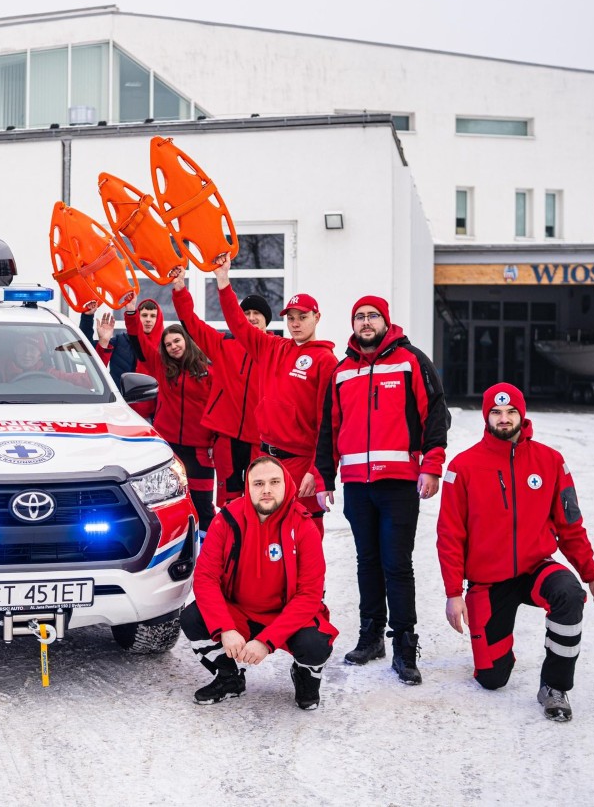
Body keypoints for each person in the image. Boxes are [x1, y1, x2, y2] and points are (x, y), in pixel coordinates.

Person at [437, 384, 594, 722]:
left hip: (536, 568)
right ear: (486, 417)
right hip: (488, 581)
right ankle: (498, 652)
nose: (504, 419)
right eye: (496, 412)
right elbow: (449, 535)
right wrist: (452, 593)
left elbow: (570, 526)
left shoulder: (550, 461)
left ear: (522, 414)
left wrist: (592, 577)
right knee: (492, 679)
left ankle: (554, 686)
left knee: (568, 593)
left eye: (511, 412)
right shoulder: (464, 466)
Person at [314, 295, 449, 685]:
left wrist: (432, 467)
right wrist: (326, 478)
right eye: (360, 317)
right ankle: (371, 637)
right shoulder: (341, 371)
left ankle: (406, 646)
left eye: (373, 316)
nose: (366, 322)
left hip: (400, 483)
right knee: (366, 561)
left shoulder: (411, 362)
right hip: (358, 485)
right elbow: (329, 429)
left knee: (396, 563)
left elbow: (435, 414)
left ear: (386, 321)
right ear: (353, 324)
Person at [182, 456, 337, 709]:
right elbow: (205, 578)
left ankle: (304, 674)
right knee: (194, 618)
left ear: (286, 485)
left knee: (315, 643)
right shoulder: (226, 521)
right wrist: (225, 628)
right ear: (248, 487)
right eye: (258, 483)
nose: (266, 489)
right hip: (239, 611)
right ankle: (228, 678)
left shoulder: (304, 526)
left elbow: (309, 595)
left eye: (274, 482)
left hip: (284, 615)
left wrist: (267, 641)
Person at [213, 259, 337, 526]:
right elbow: (239, 325)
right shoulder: (272, 348)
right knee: (261, 532)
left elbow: (327, 424)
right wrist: (223, 281)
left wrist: (317, 471)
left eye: (302, 317)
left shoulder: (325, 361)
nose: (295, 323)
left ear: (317, 317)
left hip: (300, 464)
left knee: (304, 535)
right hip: (265, 458)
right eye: (291, 318)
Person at [170, 273, 270, 504]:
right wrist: (179, 289)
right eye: (246, 313)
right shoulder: (223, 345)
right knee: (230, 500)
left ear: (266, 320)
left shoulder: (275, 350)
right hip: (227, 436)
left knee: (261, 498)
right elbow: (191, 322)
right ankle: (233, 540)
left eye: (257, 314)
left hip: (261, 438)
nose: (252, 318)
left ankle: (258, 540)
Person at [125, 312, 216, 531]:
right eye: (168, 344)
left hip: (200, 449)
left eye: (177, 340)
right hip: (170, 448)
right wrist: (130, 313)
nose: (173, 346)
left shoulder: (208, 371)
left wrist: (215, 441)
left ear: (186, 340)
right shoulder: (161, 367)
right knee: (168, 502)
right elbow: (138, 339)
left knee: (203, 504)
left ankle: (206, 552)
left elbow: (218, 408)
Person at [80, 295, 163, 420]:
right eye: (144, 315)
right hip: (118, 410)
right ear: (137, 317)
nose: (148, 320)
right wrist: (87, 317)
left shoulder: (165, 346)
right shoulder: (120, 341)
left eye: (153, 316)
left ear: (159, 319)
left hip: (151, 416)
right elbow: (87, 351)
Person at [0, 333, 92, 387]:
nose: (27, 354)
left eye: (33, 349)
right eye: (23, 348)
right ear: (15, 350)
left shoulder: (48, 372)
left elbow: (89, 381)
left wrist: (103, 344)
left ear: (40, 355)